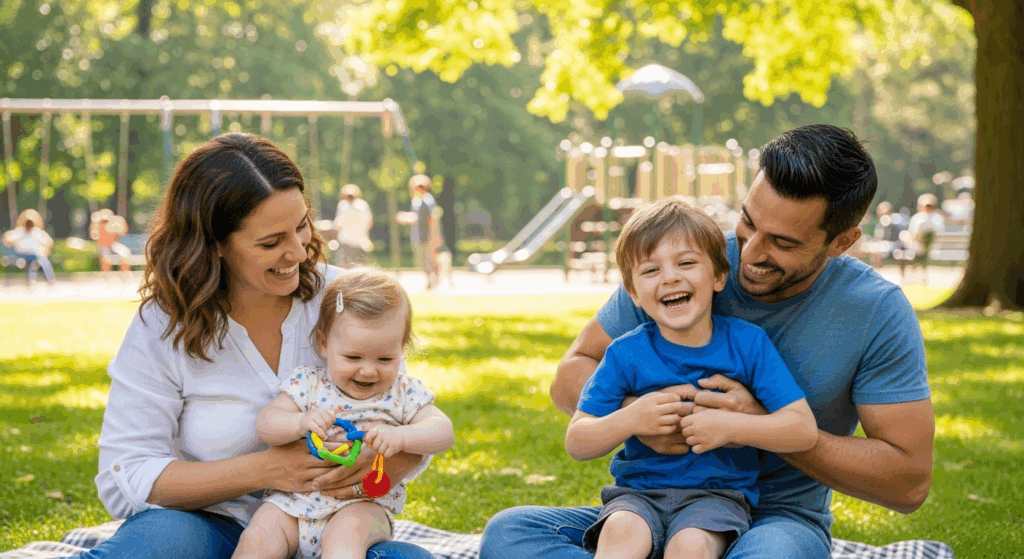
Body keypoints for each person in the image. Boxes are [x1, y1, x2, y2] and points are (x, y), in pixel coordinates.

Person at [480, 124, 934, 559]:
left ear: (842, 242)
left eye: (781, 242)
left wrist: (759, 424)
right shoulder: (684, 264)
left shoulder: (876, 312)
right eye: (748, 221)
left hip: (776, 522)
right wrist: (641, 416)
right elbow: (571, 375)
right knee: (509, 536)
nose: (750, 253)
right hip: (649, 506)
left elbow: (908, 482)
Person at [81, 133, 435, 559]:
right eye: (271, 243)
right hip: (207, 524)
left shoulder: (343, 298)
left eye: (301, 226)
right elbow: (128, 474)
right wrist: (267, 470)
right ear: (214, 244)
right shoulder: (163, 324)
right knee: (154, 548)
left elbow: (404, 413)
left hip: (334, 527)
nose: (299, 252)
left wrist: (373, 470)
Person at [566, 198, 817, 559]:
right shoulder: (625, 353)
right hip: (637, 496)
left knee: (690, 545)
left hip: (717, 499)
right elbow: (577, 441)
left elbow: (802, 429)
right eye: (651, 271)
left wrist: (731, 427)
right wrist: (630, 419)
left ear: (717, 276)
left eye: (686, 263)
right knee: (620, 532)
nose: (670, 277)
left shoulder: (747, 344)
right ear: (633, 292)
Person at [232, 268, 455, 559]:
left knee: (344, 538)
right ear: (324, 344)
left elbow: (442, 431)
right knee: (258, 538)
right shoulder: (309, 383)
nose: (368, 370)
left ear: (401, 350)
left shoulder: (403, 393)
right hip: (293, 503)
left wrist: (401, 436)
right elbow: (266, 425)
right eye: (353, 357)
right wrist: (298, 422)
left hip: (361, 508)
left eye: (385, 359)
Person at [396, 175, 440, 289]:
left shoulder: (428, 200)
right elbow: (417, 217)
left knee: (429, 260)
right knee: (421, 260)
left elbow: (433, 219)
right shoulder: (416, 201)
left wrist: (434, 236)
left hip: (426, 236)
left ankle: (433, 282)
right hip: (418, 236)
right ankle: (431, 281)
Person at [2, 208, 57, 284]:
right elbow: (7, 239)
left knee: (42, 261)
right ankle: (40, 279)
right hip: (21, 255)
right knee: (37, 261)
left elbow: (49, 242)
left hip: (34, 255)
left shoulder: (36, 232)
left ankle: (49, 279)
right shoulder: (20, 231)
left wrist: (44, 248)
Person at [904, 193, 945, 285]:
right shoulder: (938, 218)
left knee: (904, 238)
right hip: (928, 247)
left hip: (920, 247)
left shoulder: (919, 219)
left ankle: (909, 277)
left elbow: (913, 235)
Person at [334, 183, 374, 267]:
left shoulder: (342, 205)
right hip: (360, 241)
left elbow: (338, 224)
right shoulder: (363, 204)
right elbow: (370, 222)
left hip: (345, 241)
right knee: (359, 267)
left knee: (344, 267)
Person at [868, 201, 908, 275]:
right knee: (874, 249)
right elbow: (877, 238)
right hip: (886, 246)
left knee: (876, 251)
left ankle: (877, 274)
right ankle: (877, 274)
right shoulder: (881, 223)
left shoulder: (894, 220)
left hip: (895, 246)